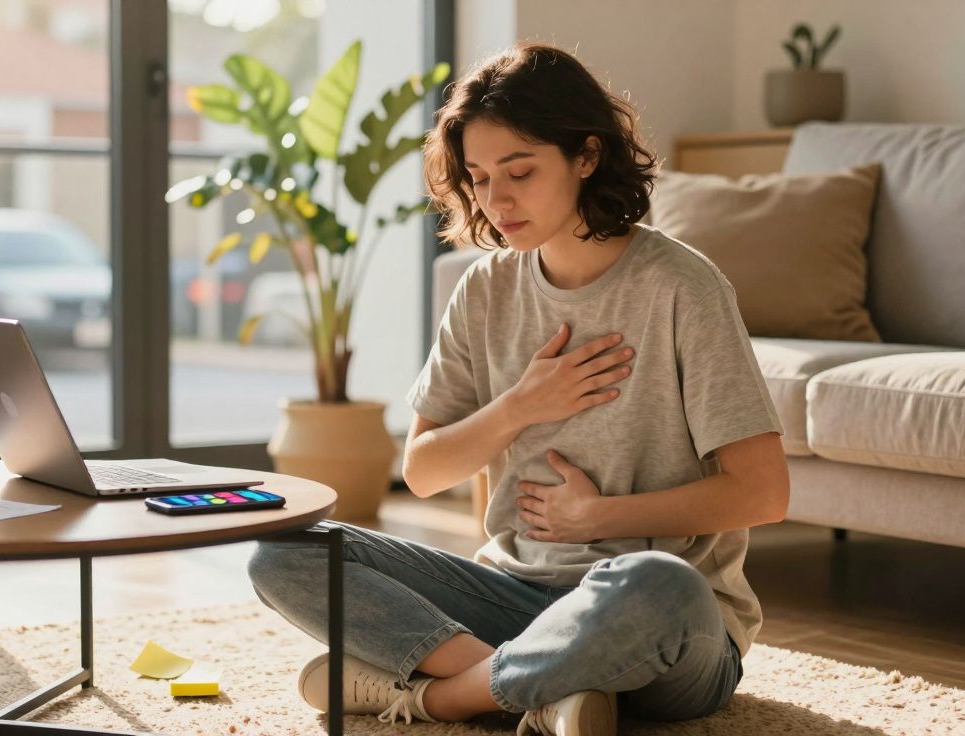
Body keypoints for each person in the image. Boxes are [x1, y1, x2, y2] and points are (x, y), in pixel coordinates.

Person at [247, 42, 789, 736]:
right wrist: (521, 406)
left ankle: (446, 696)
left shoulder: (683, 288)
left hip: (663, 626)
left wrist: (598, 519)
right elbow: (422, 469)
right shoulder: (486, 289)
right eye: (477, 178)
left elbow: (764, 493)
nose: (495, 201)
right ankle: (540, 686)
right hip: (514, 597)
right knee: (285, 551)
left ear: (587, 156)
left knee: (660, 583)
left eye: (520, 172)